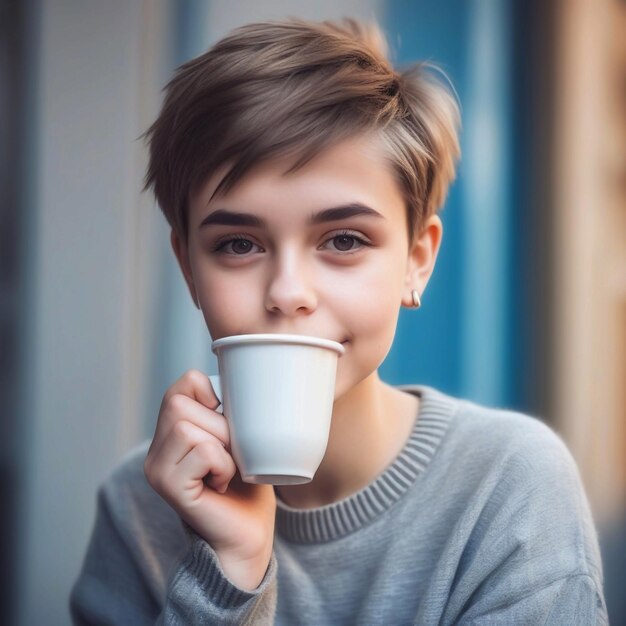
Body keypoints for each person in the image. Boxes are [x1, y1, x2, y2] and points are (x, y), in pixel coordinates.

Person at [70, 17, 608, 625]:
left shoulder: (508, 486)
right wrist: (228, 574)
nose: (288, 293)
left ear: (416, 261)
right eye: (239, 245)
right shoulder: (137, 508)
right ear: (189, 269)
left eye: (345, 239)